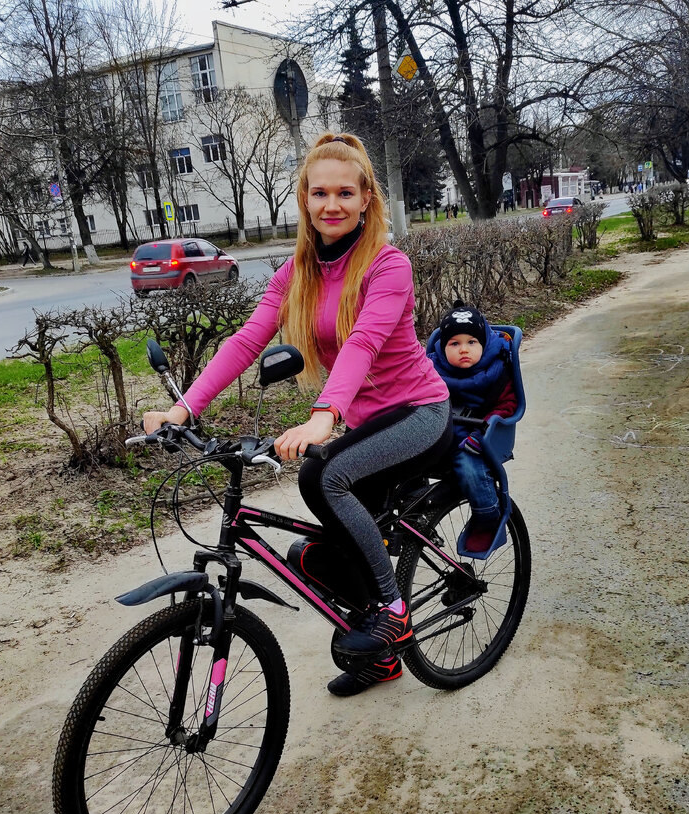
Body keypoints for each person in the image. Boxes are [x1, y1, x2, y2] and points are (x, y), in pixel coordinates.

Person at [142, 132, 451, 697]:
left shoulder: (388, 266)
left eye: (344, 193)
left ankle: (393, 608)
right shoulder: (297, 274)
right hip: (366, 422)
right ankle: (382, 660)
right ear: (305, 200)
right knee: (313, 554)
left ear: (366, 200)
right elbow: (245, 342)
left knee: (322, 474)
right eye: (319, 193)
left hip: (417, 413)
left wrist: (323, 416)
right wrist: (184, 408)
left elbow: (363, 341)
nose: (331, 205)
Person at [427, 305, 518, 557]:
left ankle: (487, 516)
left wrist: (484, 431)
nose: (464, 349)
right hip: (444, 430)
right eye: (454, 343)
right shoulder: (436, 369)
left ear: (484, 342)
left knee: (469, 465)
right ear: (443, 348)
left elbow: (508, 404)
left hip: (480, 436)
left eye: (471, 341)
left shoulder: (496, 369)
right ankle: (415, 511)